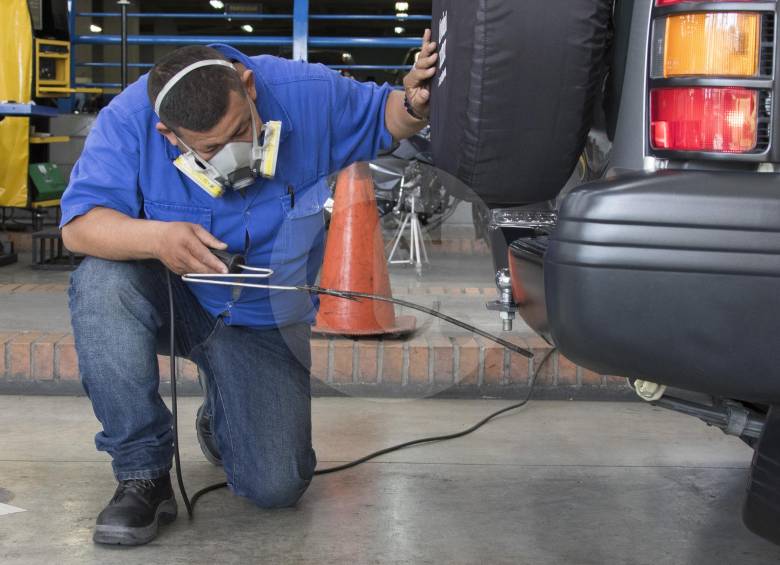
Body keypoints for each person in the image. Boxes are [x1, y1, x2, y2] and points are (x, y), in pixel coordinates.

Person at [60, 32, 438, 546]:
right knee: (101, 283)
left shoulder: (305, 91)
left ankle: (223, 416)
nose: (236, 153)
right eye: (213, 148)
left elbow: (385, 116)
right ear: (170, 136)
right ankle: (141, 474)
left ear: (249, 86)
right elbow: (79, 225)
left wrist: (414, 104)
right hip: (175, 299)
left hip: (262, 321)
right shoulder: (129, 121)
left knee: (277, 486)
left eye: (242, 129)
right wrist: (157, 237)